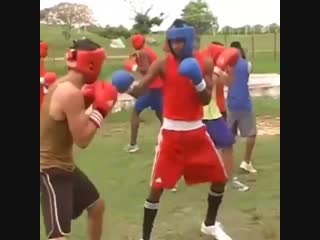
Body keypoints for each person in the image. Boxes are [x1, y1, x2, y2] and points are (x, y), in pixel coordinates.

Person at [121, 19, 239, 240]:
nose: (175, 46)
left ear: (189, 40)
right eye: (172, 41)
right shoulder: (163, 64)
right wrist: (125, 85)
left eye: (179, 41)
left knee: (220, 178)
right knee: (156, 188)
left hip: (196, 131)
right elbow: (140, 90)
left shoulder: (203, 63)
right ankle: (145, 237)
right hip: (171, 134)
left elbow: (205, 101)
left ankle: (210, 225)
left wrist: (198, 81)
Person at [40, 38, 133, 240]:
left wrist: (90, 98)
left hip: (64, 165)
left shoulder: (62, 84)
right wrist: (101, 109)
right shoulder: (70, 93)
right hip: (49, 169)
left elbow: (67, 117)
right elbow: (82, 139)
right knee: (58, 236)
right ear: (92, 63)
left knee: (96, 207)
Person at [202, 42, 249, 192]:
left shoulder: (223, 64)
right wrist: (217, 70)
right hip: (201, 112)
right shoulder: (202, 62)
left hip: (217, 111)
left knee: (226, 144)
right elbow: (209, 84)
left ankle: (229, 178)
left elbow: (229, 82)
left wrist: (226, 70)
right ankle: (170, 178)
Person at [126, 33, 163, 153]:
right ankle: (163, 143)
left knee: (135, 113)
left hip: (151, 87)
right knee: (161, 116)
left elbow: (145, 69)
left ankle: (133, 145)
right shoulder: (147, 51)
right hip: (158, 86)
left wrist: (132, 66)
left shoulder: (142, 52)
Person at [227, 41, 257, 174]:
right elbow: (246, 76)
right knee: (251, 133)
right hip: (244, 102)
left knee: (229, 135)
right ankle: (246, 162)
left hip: (231, 103)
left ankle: (227, 163)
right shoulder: (247, 65)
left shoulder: (227, 66)